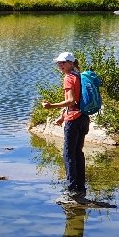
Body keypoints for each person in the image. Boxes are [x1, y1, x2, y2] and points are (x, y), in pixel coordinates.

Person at [41, 51, 89, 203]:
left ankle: (72, 190)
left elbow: (71, 101)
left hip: (74, 121)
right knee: (78, 153)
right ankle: (81, 188)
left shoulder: (69, 78)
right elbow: (78, 101)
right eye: (58, 63)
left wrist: (51, 106)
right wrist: (62, 117)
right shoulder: (79, 75)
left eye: (62, 62)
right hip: (84, 118)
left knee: (69, 155)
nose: (59, 65)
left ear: (70, 63)